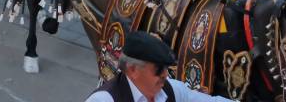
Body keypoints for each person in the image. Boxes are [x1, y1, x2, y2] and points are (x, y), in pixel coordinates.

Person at [83, 30, 236, 102]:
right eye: (158, 69)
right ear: (133, 70)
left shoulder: (172, 90)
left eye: (165, 67)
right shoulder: (104, 100)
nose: (164, 74)